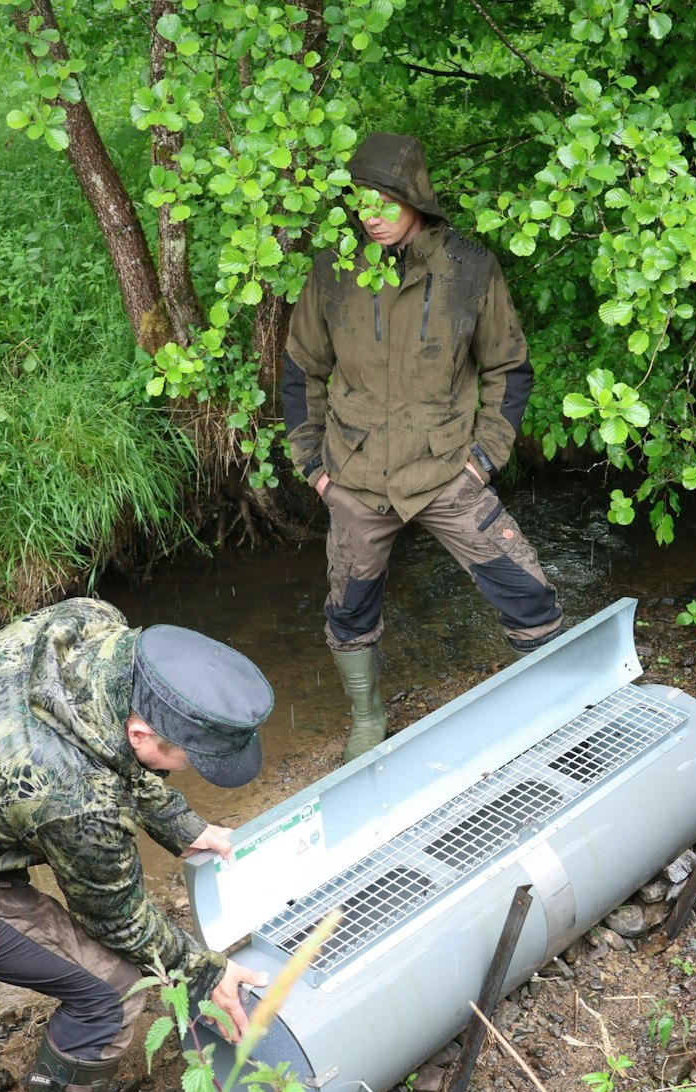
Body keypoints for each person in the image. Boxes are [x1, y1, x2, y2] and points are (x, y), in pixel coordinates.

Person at [0, 598, 273, 1092]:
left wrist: (181, 824)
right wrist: (207, 972)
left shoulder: (91, 623)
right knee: (113, 991)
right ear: (142, 735)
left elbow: (108, 743)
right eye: (189, 757)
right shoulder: (76, 798)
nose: (187, 770)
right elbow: (117, 917)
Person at [283, 131, 564, 760]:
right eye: (361, 201)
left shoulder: (470, 269)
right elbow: (301, 369)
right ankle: (366, 716)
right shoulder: (334, 268)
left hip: (444, 471)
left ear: (417, 199)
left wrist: (482, 460)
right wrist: (315, 468)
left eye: (386, 201)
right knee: (348, 607)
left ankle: (556, 706)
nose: (372, 216)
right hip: (354, 475)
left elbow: (508, 369)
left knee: (526, 590)